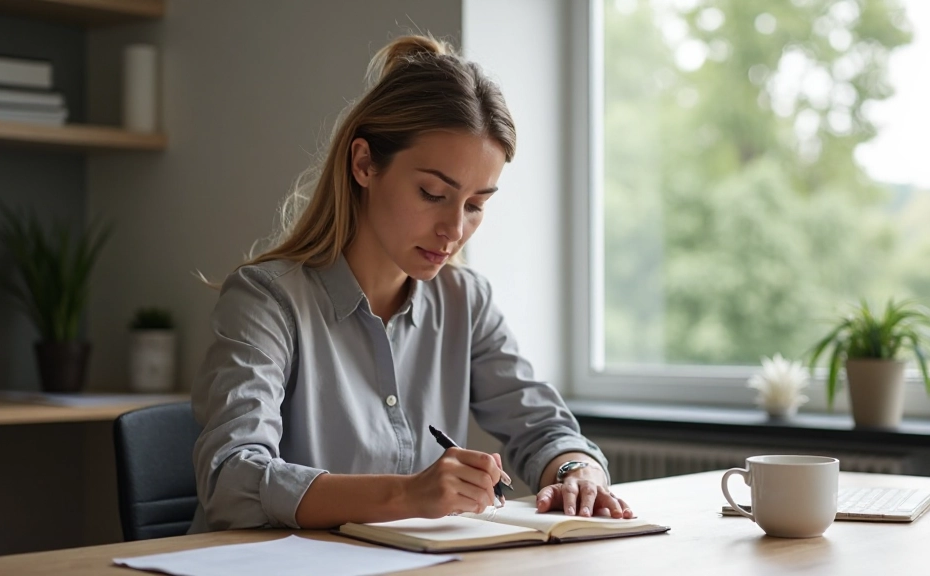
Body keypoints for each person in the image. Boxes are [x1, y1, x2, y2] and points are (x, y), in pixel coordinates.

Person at [189, 34, 633, 532]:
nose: (454, 229)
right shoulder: (265, 300)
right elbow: (232, 481)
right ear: (364, 164)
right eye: (433, 193)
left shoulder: (467, 300)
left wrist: (578, 473)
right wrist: (408, 494)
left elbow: (546, 427)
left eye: (475, 204)